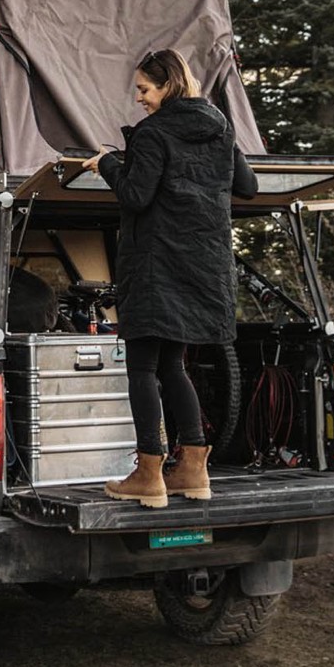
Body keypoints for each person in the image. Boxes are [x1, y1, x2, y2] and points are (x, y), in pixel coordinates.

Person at [82, 49, 257, 508]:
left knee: (142, 368)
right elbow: (248, 186)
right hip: (202, 266)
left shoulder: (154, 133)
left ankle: (149, 473)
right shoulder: (219, 127)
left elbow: (136, 195)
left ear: (167, 86)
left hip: (157, 268)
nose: (138, 98)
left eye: (144, 89)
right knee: (173, 365)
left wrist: (106, 163)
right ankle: (194, 471)